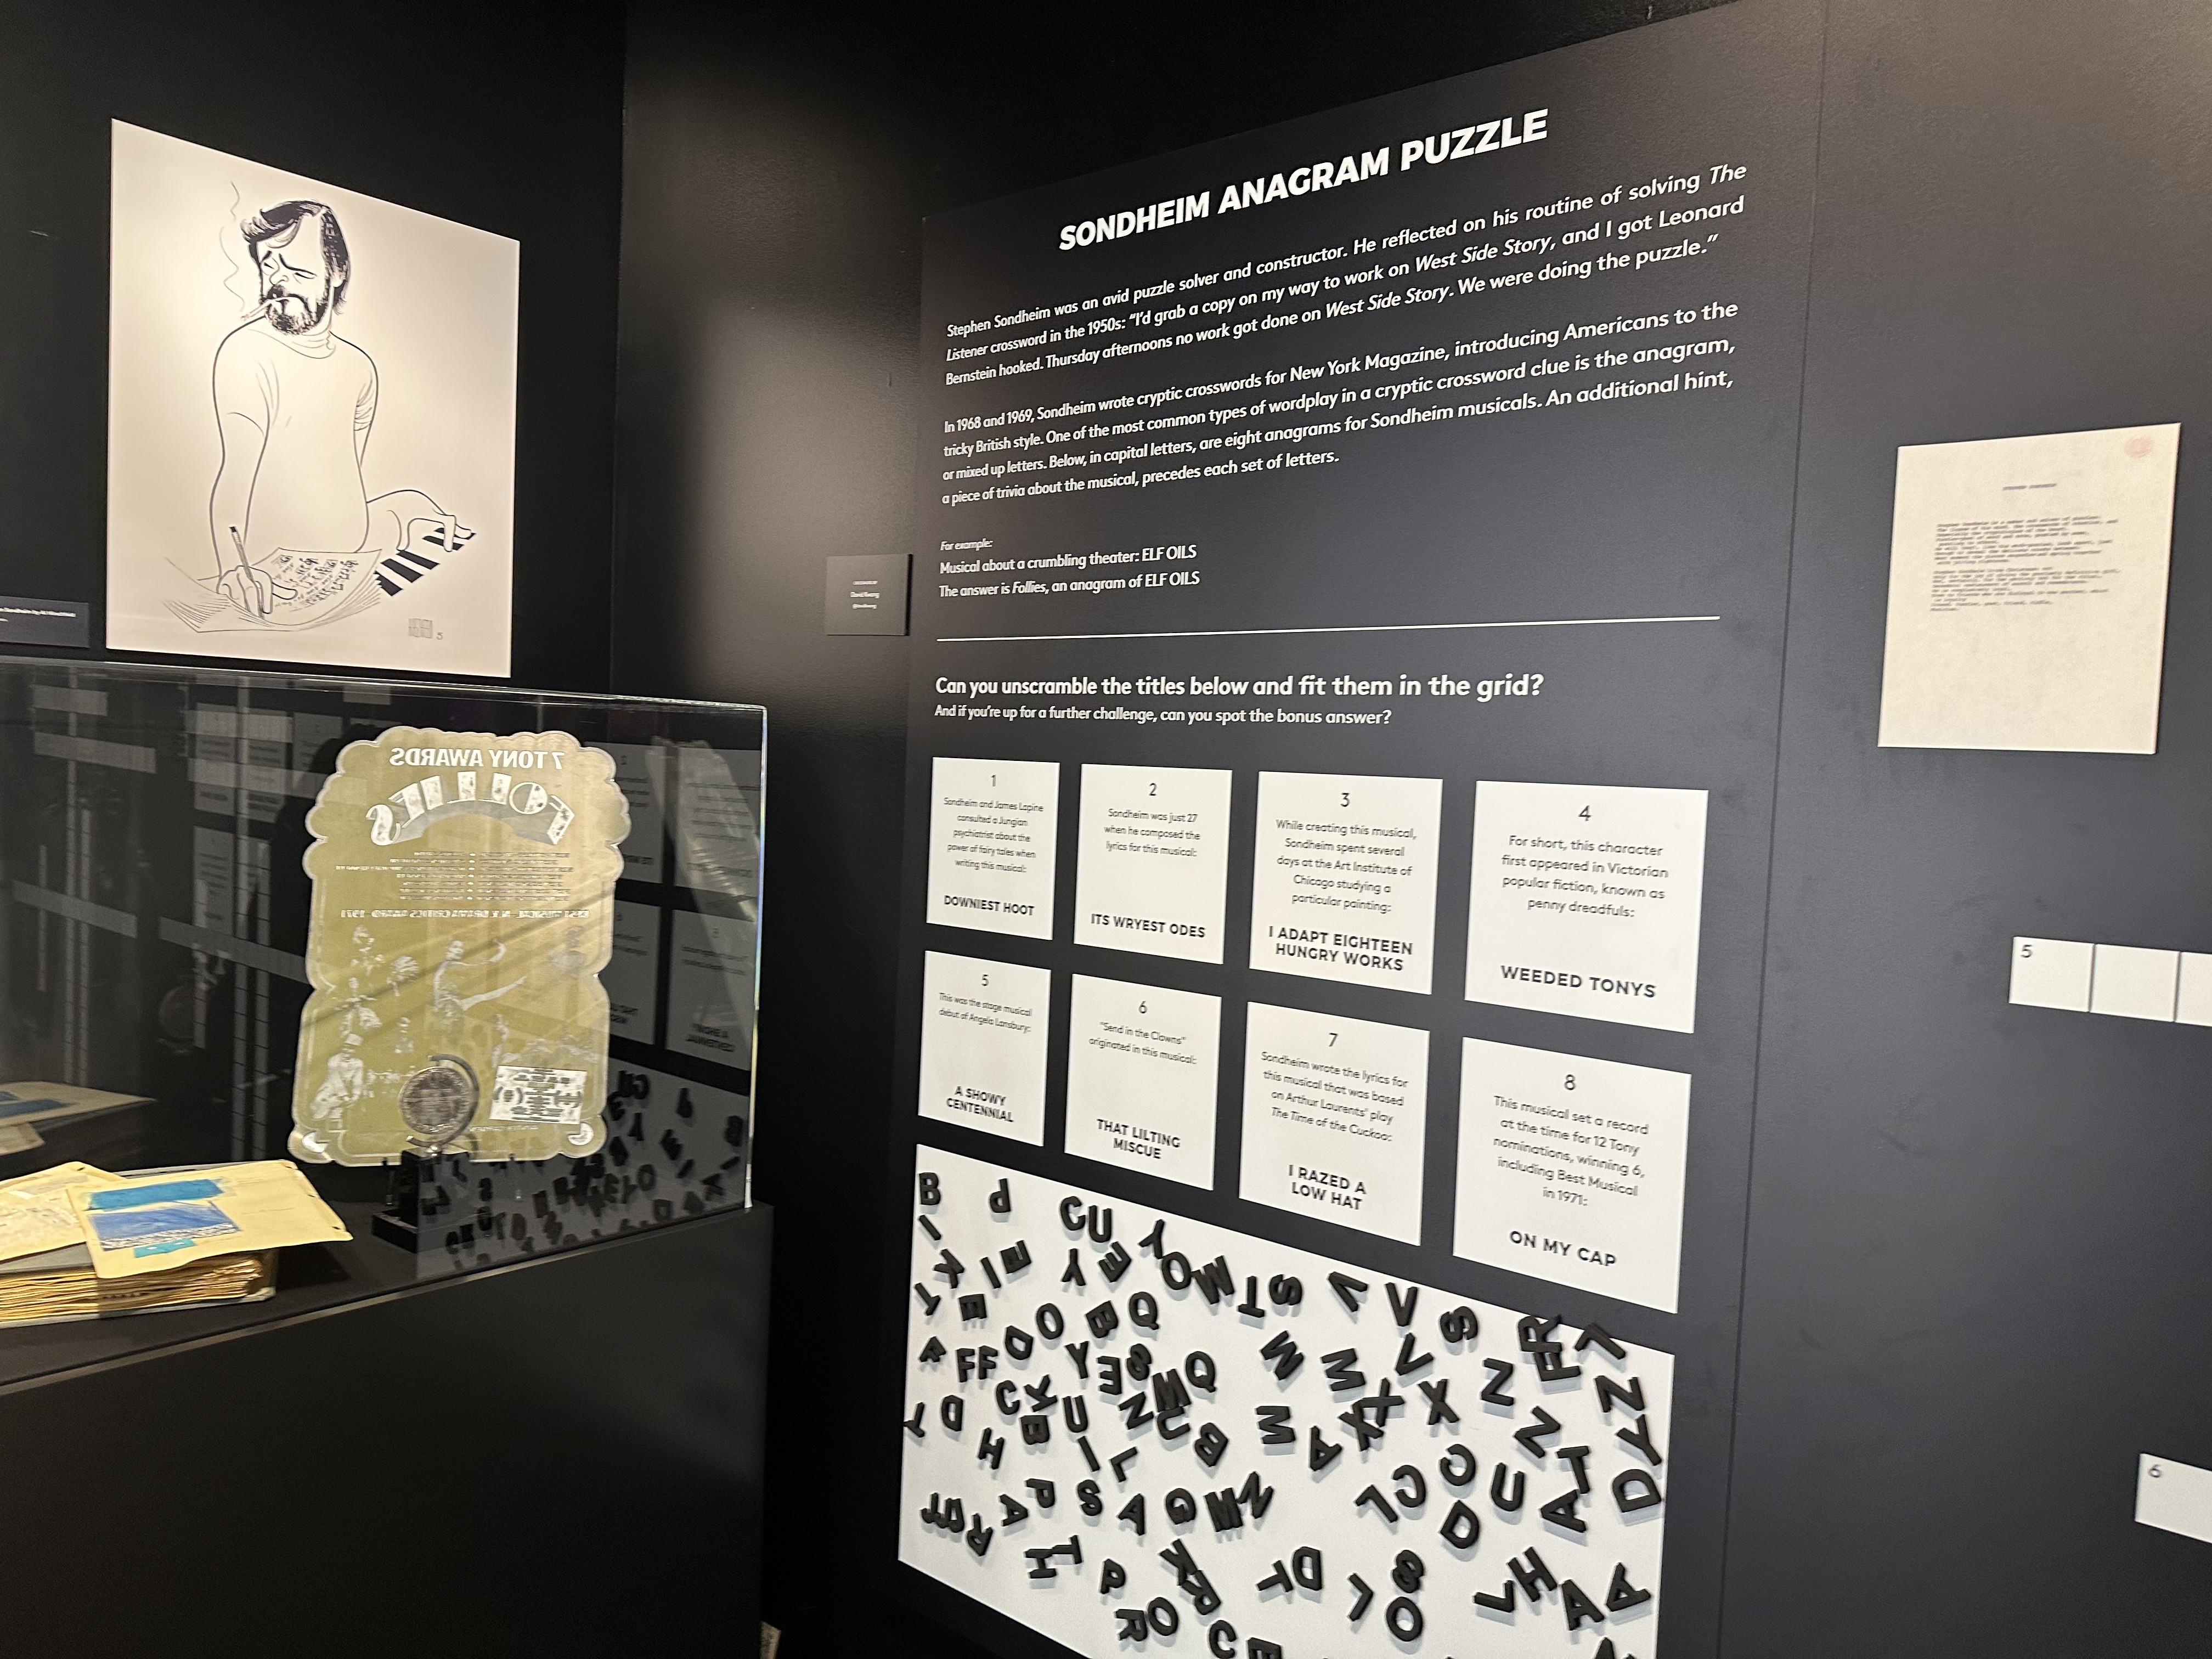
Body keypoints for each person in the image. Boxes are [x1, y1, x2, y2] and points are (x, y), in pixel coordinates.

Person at [203, 199, 467, 624]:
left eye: (298, 270)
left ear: (337, 271)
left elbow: (341, 480)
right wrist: (235, 566)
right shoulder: (247, 353)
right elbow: (237, 472)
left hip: (353, 565)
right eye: (269, 267)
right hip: (279, 578)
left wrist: (405, 509)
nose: (279, 281)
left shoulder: (359, 368)